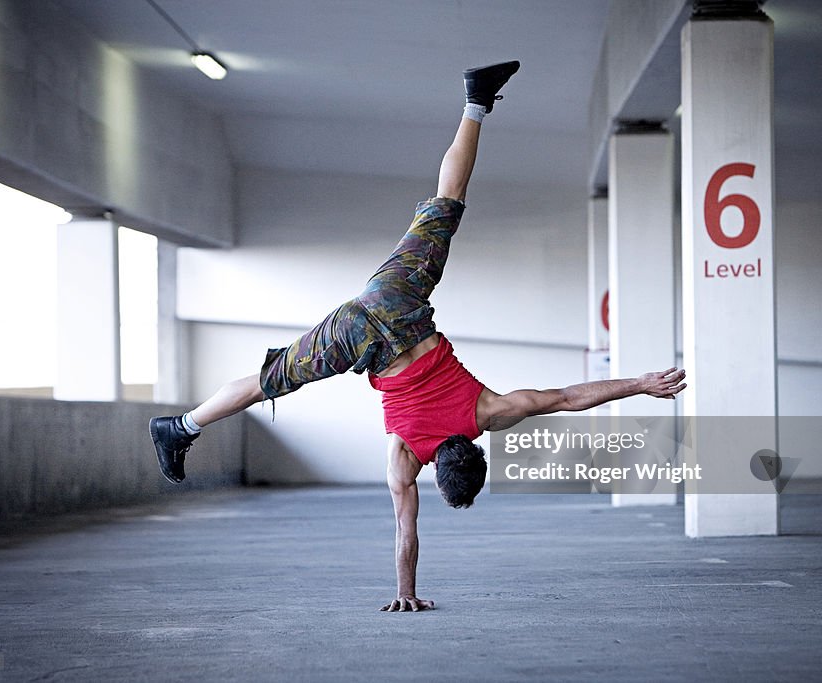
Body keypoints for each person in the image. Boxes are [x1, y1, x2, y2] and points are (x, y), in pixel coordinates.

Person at [150, 61, 687, 612]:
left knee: (446, 204)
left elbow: (571, 399)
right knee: (270, 383)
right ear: (438, 470)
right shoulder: (405, 460)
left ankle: (476, 102)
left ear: (476, 450)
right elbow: (406, 534)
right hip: (356, 334)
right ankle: (181, 426)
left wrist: (644, 383)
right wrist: (406, 595)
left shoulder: (490, 412)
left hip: (396, 301)